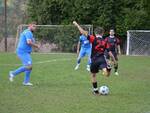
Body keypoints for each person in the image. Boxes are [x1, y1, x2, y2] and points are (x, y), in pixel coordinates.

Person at [73, 21, 116, 95]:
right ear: (102, 33)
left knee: (93, 75)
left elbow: (83, 32)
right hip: (102, 59)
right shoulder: (105, 42)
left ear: (95, 33)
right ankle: (108, 68)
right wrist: (114, 60)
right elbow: (109, 52)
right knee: (107, 74)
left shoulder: (93, 39)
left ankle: (96, 91)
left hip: (94, 60)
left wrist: (77, 25)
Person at [9, 22, 40, 86]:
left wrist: (34, 47)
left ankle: (26, 82)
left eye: (35, 26)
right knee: (29, 66)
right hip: (22, 52)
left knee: (29, 67)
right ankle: (12, 73)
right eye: (33, 26)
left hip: (25, 52)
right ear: (29, 26)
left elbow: (29, 43)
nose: (35, 28)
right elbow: (29, 42)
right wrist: (36, 46)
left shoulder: (27, 32)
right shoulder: (28, 32)